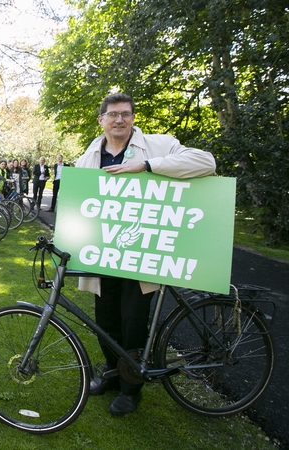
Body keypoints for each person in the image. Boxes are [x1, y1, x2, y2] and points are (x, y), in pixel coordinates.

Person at [77, 92, 216, 415]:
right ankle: (113, 373)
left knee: (133, 323)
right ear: (101, 120)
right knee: (105, 322)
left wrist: (148, 165)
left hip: (142, 256)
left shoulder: (159, 145)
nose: (119, 120)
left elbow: (207, 163)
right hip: (105, 254)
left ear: (133, 118)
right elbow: (81, 202)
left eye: (125, 114)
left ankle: (131, 389)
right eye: (113, 114)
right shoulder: (90, 155)